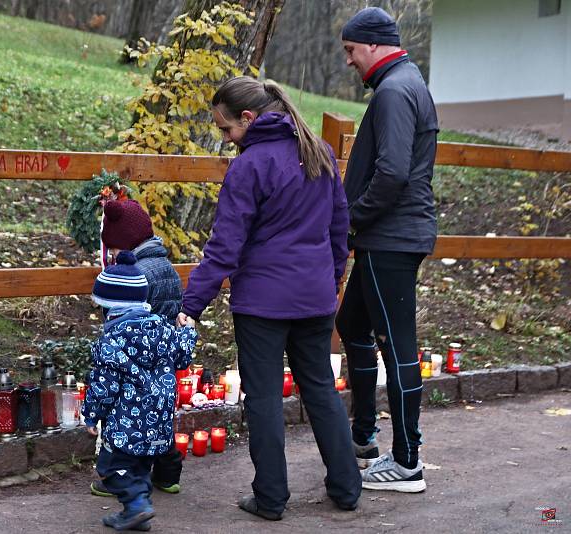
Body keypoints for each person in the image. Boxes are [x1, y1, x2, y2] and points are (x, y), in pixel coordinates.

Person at [176, 76, 362, 520]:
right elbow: (340, 227)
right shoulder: (317, 152)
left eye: (226, 130)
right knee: (320, 388)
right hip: (315, 296)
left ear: (248, 118)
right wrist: (331, 278)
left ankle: (271, 498)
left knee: (262, 398)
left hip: (263, 302)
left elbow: (225, 246)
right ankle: (347, 487)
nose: (225, 140)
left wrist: (190, 306)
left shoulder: (250, 166)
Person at [335, 6, 438, 493]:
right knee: (351, 323)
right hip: (389, 235)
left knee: (397, 346)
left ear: (373, 45)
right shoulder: (405, 82)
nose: (350, 61)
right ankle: (362, 437)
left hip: (390, 237)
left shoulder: (395, 91)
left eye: (352, 51)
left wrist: (354, 217)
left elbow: (394, 172)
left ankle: (407, 462)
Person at [84, 250, 197, 531]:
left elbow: (104, 386)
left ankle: (137, 505)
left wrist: (90, 414)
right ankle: (136, 514)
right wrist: (188, 331)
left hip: (126, 422)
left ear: (109, 307)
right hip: (158, 420)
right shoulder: (163, 328)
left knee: (111, 470)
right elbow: (182, 356)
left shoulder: (111, 342)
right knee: (139, 467)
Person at [88, 199, 187, 497]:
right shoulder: (165, 264)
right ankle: (168, 475)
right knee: (158, 418)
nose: (113, 255)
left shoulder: (136, 273)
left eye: (114, 249)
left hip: (135, 359)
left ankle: (118, 477)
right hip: (162, 357)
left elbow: (122, 317)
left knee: (127, 422)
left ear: (125, 243)